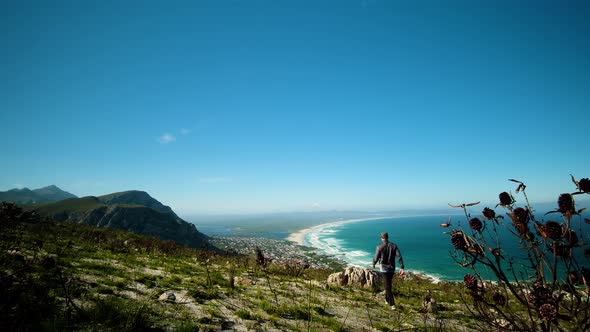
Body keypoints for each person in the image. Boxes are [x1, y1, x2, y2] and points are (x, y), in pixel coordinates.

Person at [372, 232, 404, 309]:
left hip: (383, 269)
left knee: (387, 286)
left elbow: (376, 257)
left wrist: (373, 263)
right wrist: (401, 267)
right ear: (388, 237)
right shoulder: (394, 246)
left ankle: (392, 304)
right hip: (392, 268)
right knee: (388, 285)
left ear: (381, 238)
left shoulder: (379, 246)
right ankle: (386, 299)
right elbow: (399, 256)